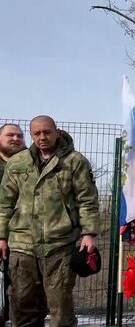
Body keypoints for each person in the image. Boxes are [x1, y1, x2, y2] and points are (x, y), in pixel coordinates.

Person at [0, 115, 100, 327]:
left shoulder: (75, 162)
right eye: (36, 133)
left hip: (59, 245)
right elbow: (5, 203)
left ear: (56, 131)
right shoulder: (18, 163)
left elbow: (87, 200)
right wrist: (1, 236)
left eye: (47, 132)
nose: (42, 137)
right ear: (32, 135)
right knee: (22, 306)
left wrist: (89, 233)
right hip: (22, 246)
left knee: (60, 309)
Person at [0, 123, 26, 323]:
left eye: (19, 135)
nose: (16, 139)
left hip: (24, 239)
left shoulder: (32, 163)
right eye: (10, 135)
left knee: (24, 294)